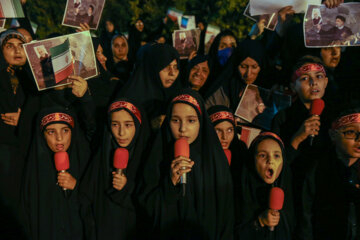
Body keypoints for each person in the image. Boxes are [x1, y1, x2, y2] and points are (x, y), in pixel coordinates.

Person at [138, 89, 234, 239]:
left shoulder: (215, 160)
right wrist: (169, 185)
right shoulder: (157, 155)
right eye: (175, 120)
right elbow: (146, 210)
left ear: (201, 121)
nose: (182, 129)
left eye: (191, 120)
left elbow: (225, 216)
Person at [79, 99, 150, 239]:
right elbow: (86, 197)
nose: (121, 133)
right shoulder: (102, 154)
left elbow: (152, 206)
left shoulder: (148, 157)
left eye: (128, 125)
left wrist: (127, 189)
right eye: (115, 125)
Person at [22, 107, 90, 240]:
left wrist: (77, 187)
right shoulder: (34, 169)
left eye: (65, 130)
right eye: (51, 132)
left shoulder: (85, 161)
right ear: (42, 135)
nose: (59, 138)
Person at [298, 102, 360, 239]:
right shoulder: (317, 169)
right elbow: (305, 217)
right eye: (350, 132)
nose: (359, 139)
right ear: (333, 135)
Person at [234, 132, 294, 240]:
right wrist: (260, 221)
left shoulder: (289, 187)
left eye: (276, 156)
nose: (270, 161)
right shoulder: (240, 189)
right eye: (262, 155)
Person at [119, 43, 182, 131]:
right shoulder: (128, 101)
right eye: (166, 67)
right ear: (151, 69)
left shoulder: (178, 95)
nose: (172, 73)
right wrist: (148, 125)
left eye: (175, 67)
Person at [205, 39, 273, 111]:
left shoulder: (271, 89)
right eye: (243, 66)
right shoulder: (224, 89)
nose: (248, 73)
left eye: (254, 67)